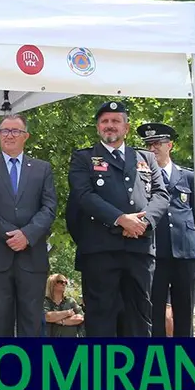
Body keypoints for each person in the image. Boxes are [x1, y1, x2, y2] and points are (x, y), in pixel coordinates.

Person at [66, 101, 168, 338]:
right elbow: (83, 195)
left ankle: (137, 373)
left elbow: (161, 195)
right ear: (97, 127)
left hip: (139, 248)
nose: (109, 126)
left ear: (126, 127)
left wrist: (144, 223)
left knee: (140, 317)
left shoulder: (145, 158)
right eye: (104, 121)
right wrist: (121, 219)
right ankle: (102, 374)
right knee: (101, 317)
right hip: (101, 250)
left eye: (115, 121)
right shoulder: (84, 158)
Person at [0, 113, 58, 338]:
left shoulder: (42, 168)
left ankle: (32, 371)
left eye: (15, 131)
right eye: (5, 131)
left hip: (32, 256)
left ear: (25, 136)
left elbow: (49, 208)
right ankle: (5, 371)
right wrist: (10, 234)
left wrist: (27, 235)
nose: (9, 135)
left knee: (32, 322)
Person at [136, 122, 195, 337]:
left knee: (185, 310)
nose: (152, 149)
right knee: (154, 311)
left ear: (169, 145)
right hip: (156, 252)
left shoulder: (189, 176)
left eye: (157, 143)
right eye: (148, 145)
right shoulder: (142, 177)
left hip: (185, 252)